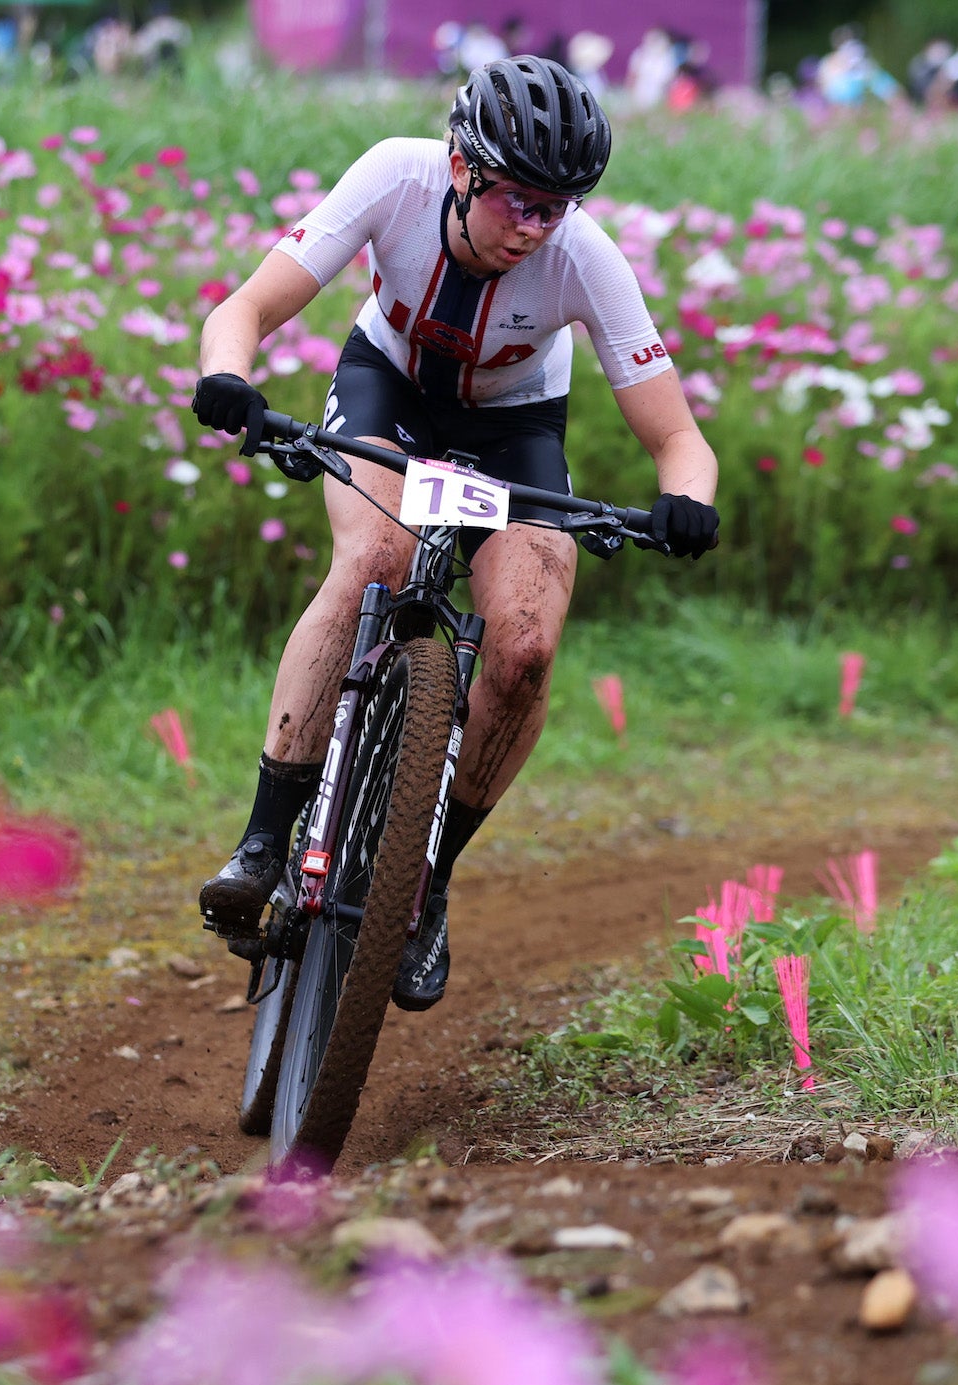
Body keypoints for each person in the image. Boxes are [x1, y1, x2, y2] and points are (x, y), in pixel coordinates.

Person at [188, 56, 721, 1011]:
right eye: (517, 198)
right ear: (461, 166)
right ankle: (265, 840)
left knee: (521, 650)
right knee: (375, 559)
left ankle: (423, 883)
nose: (535, 226)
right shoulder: (396, 174)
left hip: (515, 429)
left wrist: (688, 498)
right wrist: (229, 375)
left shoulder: (584, 257)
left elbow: (678, 437)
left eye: (556, 207)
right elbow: (249, 306)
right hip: (385, 389)